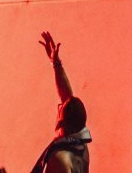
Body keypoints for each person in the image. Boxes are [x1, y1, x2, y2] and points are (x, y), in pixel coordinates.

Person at [31, 31, 91, 172]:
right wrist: (56, 63)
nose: (59, 108)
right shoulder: (79, 145)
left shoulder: (61, 158)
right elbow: (67, 97)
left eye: (60, 109)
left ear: (61, 123)